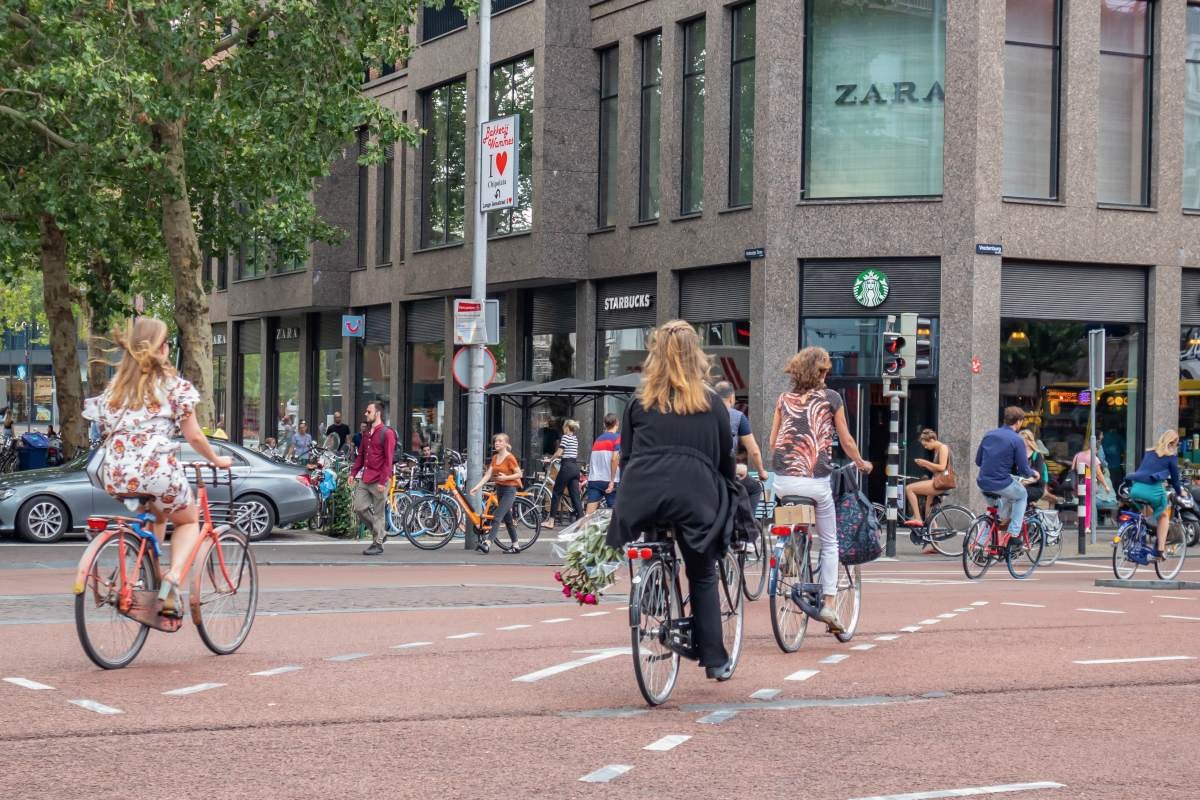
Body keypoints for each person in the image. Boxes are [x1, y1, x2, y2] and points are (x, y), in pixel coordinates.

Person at [608, 320, 737, 681]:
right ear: (696, 355)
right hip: (694, 494)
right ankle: (713, 659)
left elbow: (629, 455)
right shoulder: (711, 402)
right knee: (702, 571)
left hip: (643, 492)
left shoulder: (639, 402)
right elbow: (723, 460)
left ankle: (653, 592)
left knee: (654, 530)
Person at [82, 317, 232, 617]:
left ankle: (144, 575)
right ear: (162, 349)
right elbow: (194, 436)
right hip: (157, 471)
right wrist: (217, 459)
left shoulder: (116, 388)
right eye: (167, 344)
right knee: (189, 520)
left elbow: (104, 428)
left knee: (157, 514)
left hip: (117, 474)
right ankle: (173, 582)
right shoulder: (175, 387)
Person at [769, 346, 872, 633]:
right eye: (825, 369)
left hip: (782, 483)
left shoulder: (783, 399)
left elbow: (772, 444)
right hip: (815, 483)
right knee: (830, 543)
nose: (827, 374)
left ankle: (793, 548)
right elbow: (847, 440)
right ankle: (828, 602)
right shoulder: (831, 398)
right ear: (818, 372)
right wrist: (862, 463)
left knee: (794, 514)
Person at [975, 406, 1038, 544]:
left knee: (993, 514)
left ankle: (979, 545)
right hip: (1001, 483)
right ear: (1019, 422)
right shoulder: (1017, 440)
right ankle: (1014, 534)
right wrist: (1034, 473)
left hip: (982, 483)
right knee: (1021, 495)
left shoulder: (989, 435)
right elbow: (1023, 470)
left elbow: (978, 461)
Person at [1126, 429, 1183, 560]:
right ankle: (1160, 551)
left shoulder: (1149, 453)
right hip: (1153, 490)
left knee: (1147, 514)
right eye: (1177, 444)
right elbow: (1175, 480)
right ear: (1174, 443)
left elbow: (1146, 470)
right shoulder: (1171, 458)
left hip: (1136, 488)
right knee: (1163, 515)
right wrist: (1181, 492)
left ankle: (1138, 537)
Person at [352, 402, 396, 556]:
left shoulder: (387, 433)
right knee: (359, 507)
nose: (366, 413)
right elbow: (361, 456)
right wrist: (353, 473)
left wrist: (383, 481)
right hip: (366, 477)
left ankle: (377, 544)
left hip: (379, 479)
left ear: (377, 413)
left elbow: (388, 459)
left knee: (378, 513)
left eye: (368, 411)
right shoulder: (367, 433)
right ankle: (381, 534)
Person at [470, 432, 523, 553]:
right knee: (508, 520)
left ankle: (488, 543)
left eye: (500, 441)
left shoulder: (510, 458)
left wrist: (506, 478)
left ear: (506, 444)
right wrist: (476, 487)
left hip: (509, 490)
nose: (497, 443)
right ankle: (516, 546)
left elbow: (519, 474)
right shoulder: (495, 458)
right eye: (496, 441)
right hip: (500, 490)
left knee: (497, 516)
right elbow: (488, 475)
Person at [715, 381, 768, 484]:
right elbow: (754, 451)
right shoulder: (738, 417)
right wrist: (761, 472)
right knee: (755, 489)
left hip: (705, 469)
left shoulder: (704, 414)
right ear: (732, 397)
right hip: (726, 472)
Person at [904, 429, 950, 528]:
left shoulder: (943, 448)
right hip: (938, 481)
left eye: (926, 445)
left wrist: (925, 463)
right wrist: (924, 465)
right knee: (928, 514)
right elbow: (937, 469)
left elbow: (942, 467)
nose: (925, 447)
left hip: (941, 483)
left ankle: (917, 518)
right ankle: (933, 538)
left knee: (909, 488)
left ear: (932, 440)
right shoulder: (937, 450)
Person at [543, 419, 583, 530]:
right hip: (575, 468)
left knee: (556, 492)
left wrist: (550, 460)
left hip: (566, 468)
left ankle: (551, 521)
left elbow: (559, 452)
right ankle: (581, 521)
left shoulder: (565, 437)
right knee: (575, 496)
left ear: (566, 428)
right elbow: (570, 453)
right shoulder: (575, 439)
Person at [585, 413, 621, 513]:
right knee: (616, 516)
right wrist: (612, 481)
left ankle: (584, 528)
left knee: (588, 515)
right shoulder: (618, 438)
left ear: (605, 424)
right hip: (610, 481)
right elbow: (614, 459)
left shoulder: (598, 440)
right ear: (617, 423)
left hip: (595, 480)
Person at [1019, 429, 1048, 506]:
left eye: (1021, 440)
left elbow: (1038, 476)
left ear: (1028, 441)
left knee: (1017, 493)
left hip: (1036, 487)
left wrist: (1025, 482)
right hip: (1022, 485)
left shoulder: (1037, 455)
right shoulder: (1019, 455)